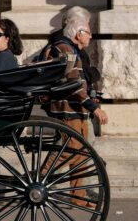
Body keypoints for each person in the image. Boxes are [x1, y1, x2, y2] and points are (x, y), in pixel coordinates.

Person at [39, 19, 108, 208]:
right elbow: (74, 85)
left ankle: (78, 196)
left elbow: (79, 82)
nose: (91, 35)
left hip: (76, 109)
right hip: (67, 109)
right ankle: (39, 179)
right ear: (78, 34)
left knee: (82, 152)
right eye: (88, 32)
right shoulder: (65, 49)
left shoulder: (72, 49)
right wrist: (95, 109)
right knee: (70, 149)